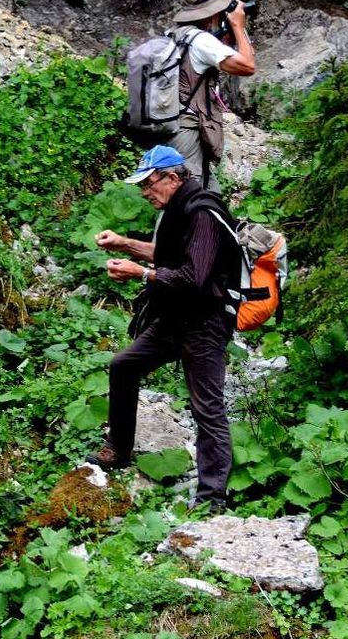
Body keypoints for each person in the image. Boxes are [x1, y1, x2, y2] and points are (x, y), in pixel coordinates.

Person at [86, 145, 241, 513]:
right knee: (124, 366)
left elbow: (194, 277)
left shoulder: (202, 212)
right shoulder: (177, 208)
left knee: (207, 407)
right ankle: (119, 450)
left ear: (173, 177)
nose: (144, 192)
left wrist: (139, 273)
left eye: (149, 183)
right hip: (175, 318)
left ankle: (211, 498)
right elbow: (168, 255)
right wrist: (126, 245)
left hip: (205, 321)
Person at [168, 0, 256, 193]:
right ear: (210, 14)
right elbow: (248, 66)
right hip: (186, 127)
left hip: (173, 122)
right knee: (187, 195)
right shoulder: (201, 41)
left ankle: (212, 225)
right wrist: (238, 26)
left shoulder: (178, 34)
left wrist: (225, 33)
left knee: (210, 195)